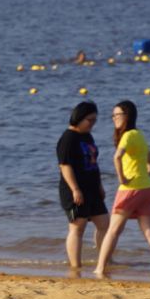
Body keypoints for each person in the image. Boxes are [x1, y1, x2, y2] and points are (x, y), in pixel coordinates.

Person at [94, 100, 150, 278]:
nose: (114, 119)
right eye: (113, 115)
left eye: (117, 115)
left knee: (113, 231)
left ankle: (100, 268)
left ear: (126, 116)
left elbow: (117, 157)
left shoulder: (127, 135)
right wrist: (148, 175)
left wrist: (122, 179)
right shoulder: (140, 134)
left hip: (129, 190)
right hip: (147, 189)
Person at [57, 102, 109, 273]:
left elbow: (94, 163)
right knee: (77, 227)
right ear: (79, 118)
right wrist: (75, 189)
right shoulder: (68, 138)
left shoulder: (88, 137)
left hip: (92, 189)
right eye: (89, 120)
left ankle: (103, 259)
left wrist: (100, 185)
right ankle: (75, 266)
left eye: (95, 120)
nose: (92, 124)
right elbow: (65, 166)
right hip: (75, 190)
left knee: (104, 224)